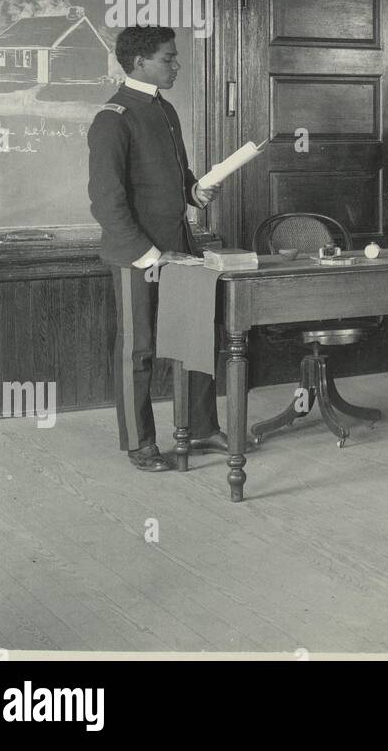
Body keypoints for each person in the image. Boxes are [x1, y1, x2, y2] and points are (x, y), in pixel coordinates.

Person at [86, 26, 224, 472]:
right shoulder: (114, 116)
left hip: (179, 248)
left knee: (195, 341)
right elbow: (107, 200)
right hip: (137, 254)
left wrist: (195, 191)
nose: (177, 65)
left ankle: (202, 428)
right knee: (138, 349)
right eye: (169, 58)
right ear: (140, 62)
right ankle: (140, 443)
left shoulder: (164, 111)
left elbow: (175, 174)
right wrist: (149, 255)